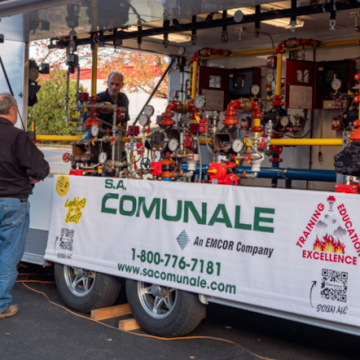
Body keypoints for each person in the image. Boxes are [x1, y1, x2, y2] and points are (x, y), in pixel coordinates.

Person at [0, 93, 49, 319]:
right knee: (8, 254)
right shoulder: (18, 137)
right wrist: (31, 176)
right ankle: (1, 306)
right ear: (12, 111)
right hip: (12, 203)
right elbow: (40, 169)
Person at [82, 71, 130, 141]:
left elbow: (124, 121)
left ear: (122, 85)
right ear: (107, 82)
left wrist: (122, 142)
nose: (114, 87)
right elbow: (86, 122)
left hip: (116, 139)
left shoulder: (123, 98)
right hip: (98, 139)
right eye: (112, 83)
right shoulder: (97, 99)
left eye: (117, 84)